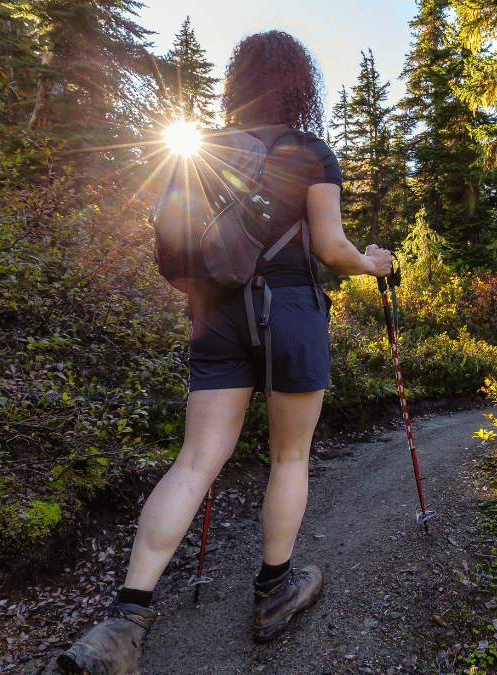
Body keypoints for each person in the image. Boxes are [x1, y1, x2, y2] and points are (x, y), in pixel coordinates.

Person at [57, 30, 392, 675]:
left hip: (215, 314)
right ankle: (274, 593)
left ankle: (125, 622)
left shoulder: (207, 149)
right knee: (289, 456)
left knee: (195, 460)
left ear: (238, 81)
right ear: (299, 83)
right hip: (291, 310)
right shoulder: (309, 151)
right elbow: (330, 249)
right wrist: (372, 264)